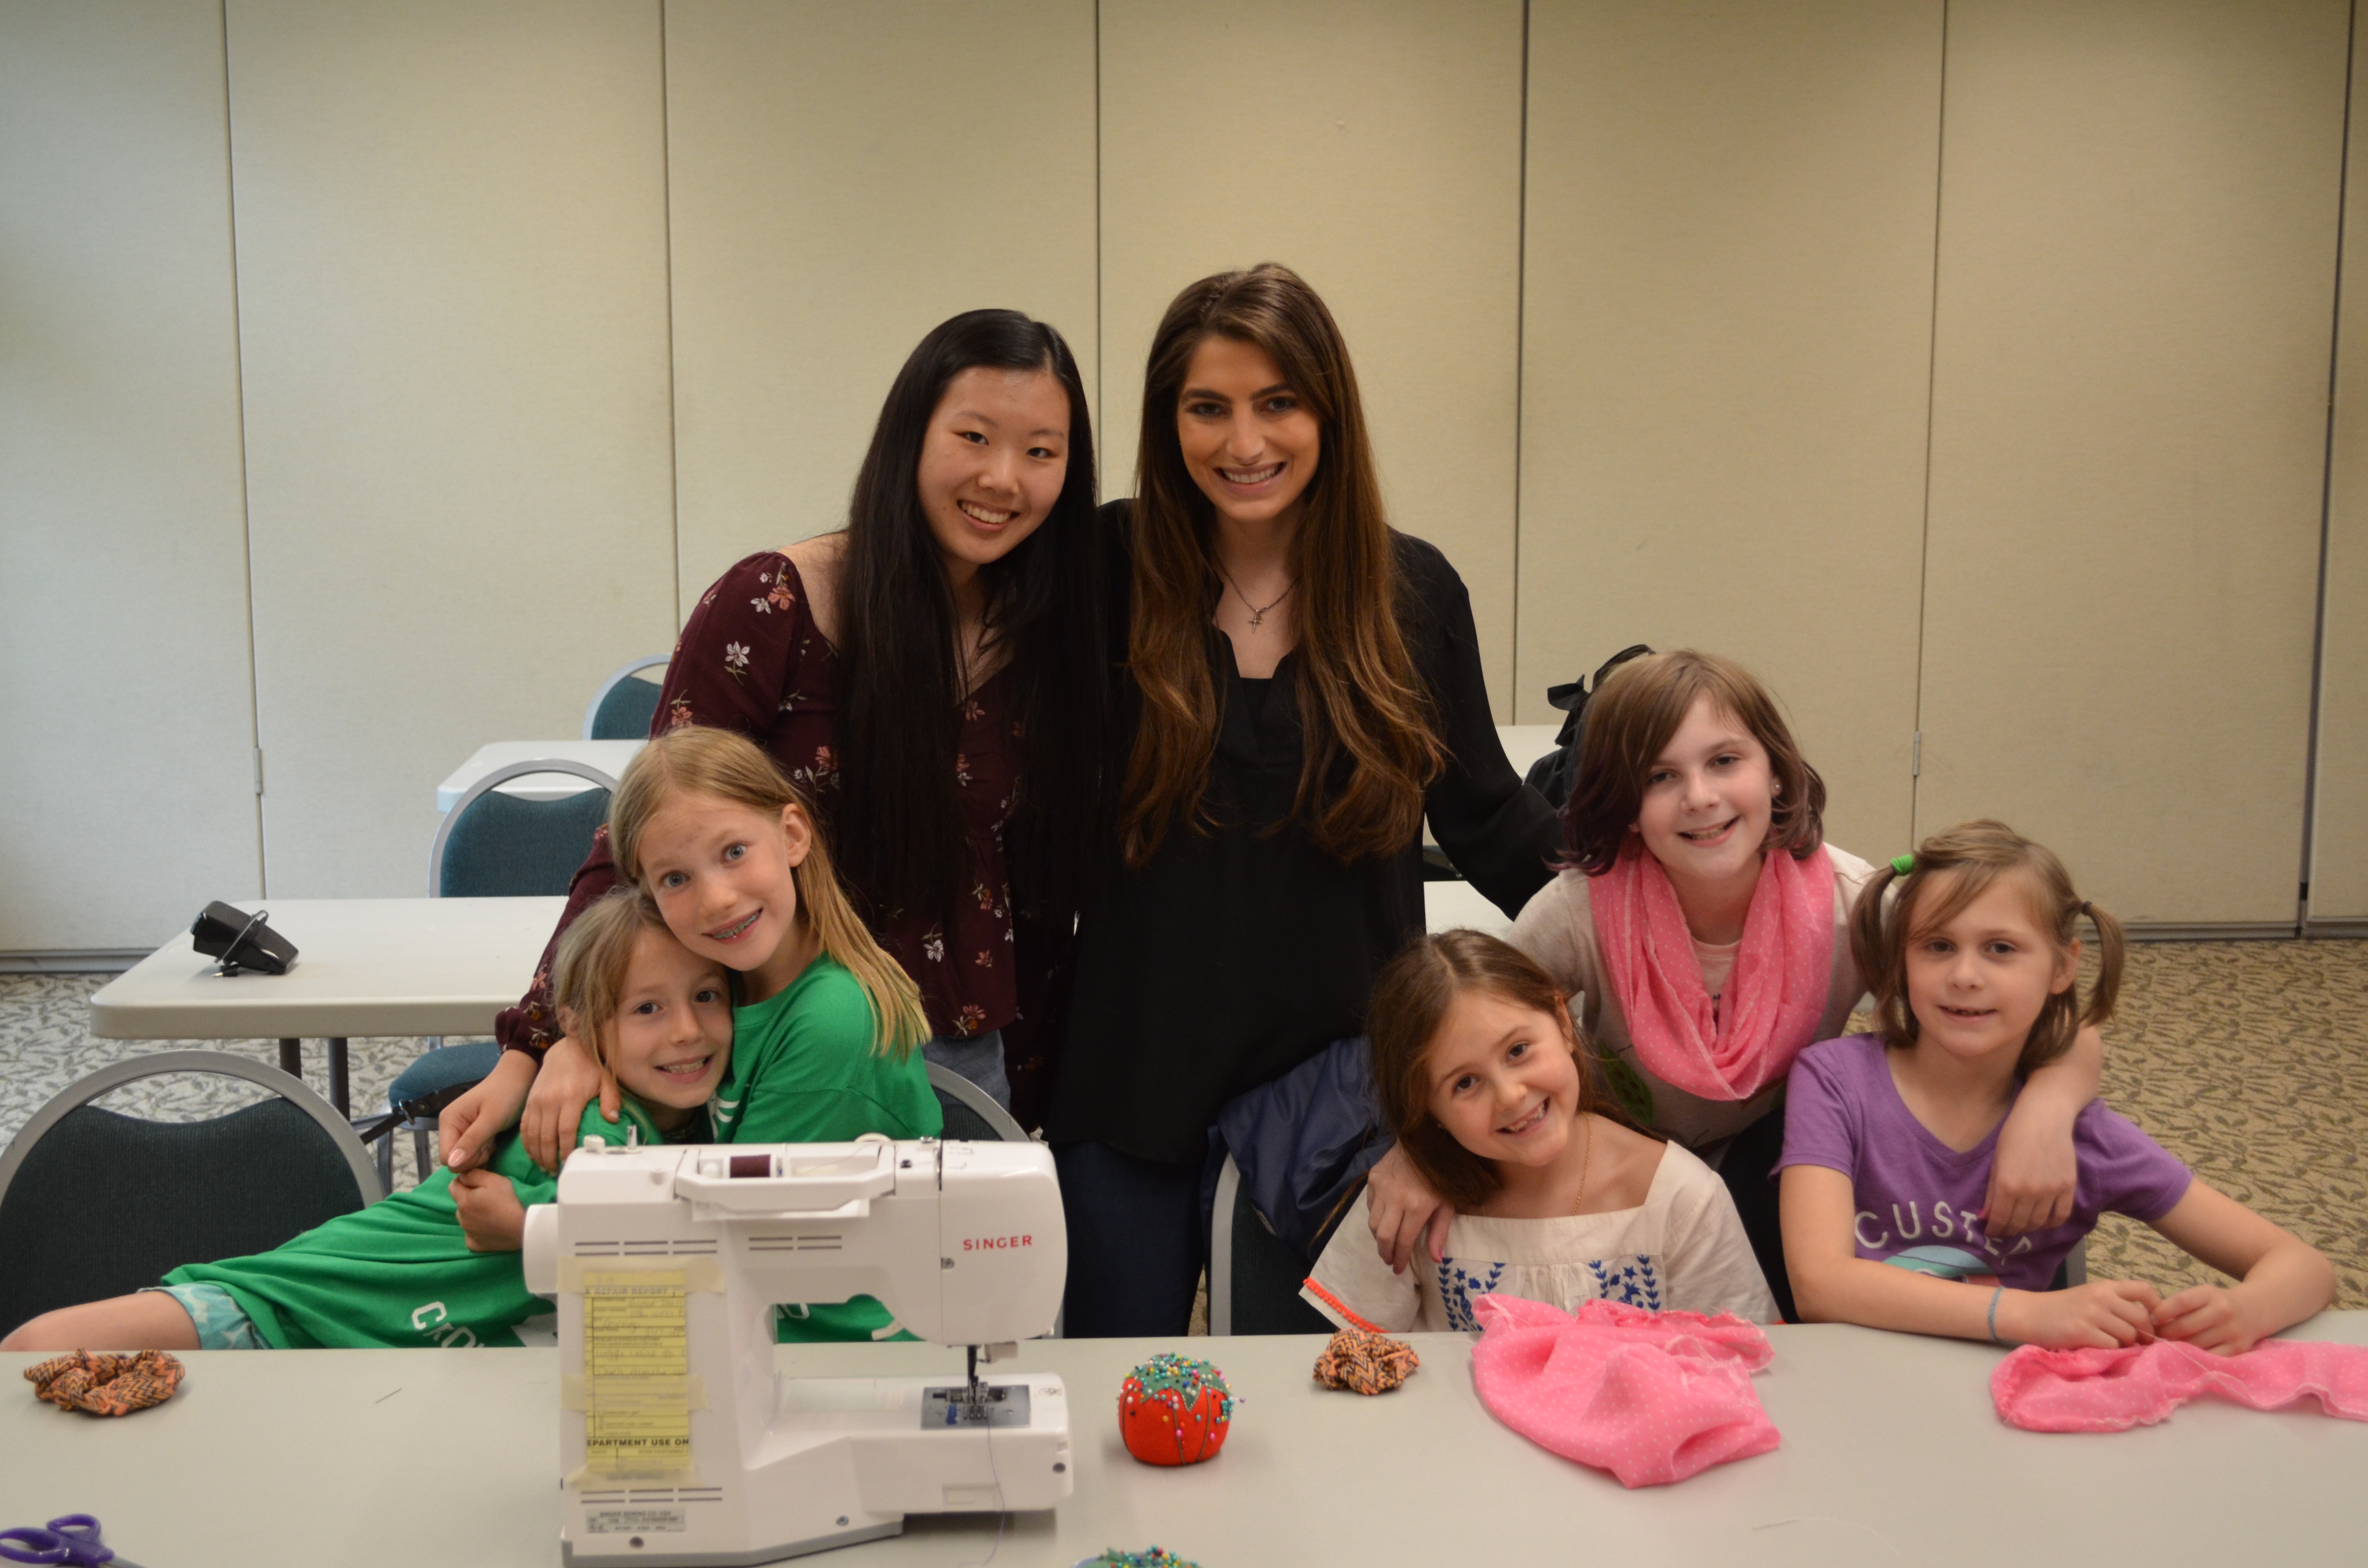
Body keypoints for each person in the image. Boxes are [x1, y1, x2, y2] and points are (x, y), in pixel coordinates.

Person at [441, 307, 1106, 1175]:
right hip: (763, 1041)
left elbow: (1032, 895)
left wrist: (1044, 1085)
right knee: (746, 1290)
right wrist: (549, 1035)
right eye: (973, 436)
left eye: (1040, 452)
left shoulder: (1048, 629)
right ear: (911, 434)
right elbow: (643, 832)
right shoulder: (777, 603)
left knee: (934, 1305)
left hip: (951, 1056)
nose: (1002, 478)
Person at [1043, 263, 1561, 1335]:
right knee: (1108, 1403)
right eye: (1207, 408)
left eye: (1277, 403)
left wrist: (1693, 890)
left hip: (1347, 1106)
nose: (1244, 443)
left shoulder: (1408, 593)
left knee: (1320, 1433)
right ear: (1165, 420)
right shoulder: (1102, 568)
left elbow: (1491, 826)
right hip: (1129, 1076)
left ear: (1328, 412)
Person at [1364, 650, 2103, 1322]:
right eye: (1660, 777)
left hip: (1775, 1162)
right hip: (1624, 1161)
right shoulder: (1584, 907)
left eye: (1724, 761)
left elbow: (2039, 1019)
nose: (1699, 797)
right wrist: (1416, 1152)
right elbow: (1466, 1026)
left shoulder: (1853, 905)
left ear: (1775, 772)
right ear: (1623, 803)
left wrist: (2048, 1104)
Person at [2, 889, 732, 1351]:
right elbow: (648, 1261)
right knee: (37, 1356)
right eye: (648, 1008)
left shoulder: (666, 1122)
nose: (688, 1033)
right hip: (289, 1315)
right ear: (578, 1026)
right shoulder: (601, 1126)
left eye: (708, 997)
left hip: (348, 1353)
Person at [1779, 821, 2334, 1351]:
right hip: (1857, 1382)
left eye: (2000, 948)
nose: (1965, 975)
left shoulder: (2087, 1138)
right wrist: (2029, 1313)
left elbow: (2303, 1266)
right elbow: (1819, 1286)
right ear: (1902, 959)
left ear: (2062, 967)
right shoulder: (1833, 1081)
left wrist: (2246, 1310)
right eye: (1937, 946)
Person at [1302, 931, 1776, 1333]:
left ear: (1563, 1024)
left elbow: (1746, 1371)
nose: (1509, 1095)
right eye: (1464, 1083)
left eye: (1518, 1050)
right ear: (1428, 1109)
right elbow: (1348, 1370)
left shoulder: (1681, 1200)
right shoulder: (1408, 1201)